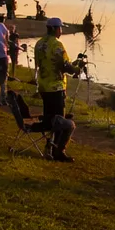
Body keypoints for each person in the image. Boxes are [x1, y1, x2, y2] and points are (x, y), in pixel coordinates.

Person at [33, 16, 80, 162]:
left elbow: (43, 63)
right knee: (60, 121)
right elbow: (66, 66)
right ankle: (58, 151)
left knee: (51, 118)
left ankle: (50, 147)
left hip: (43, 86)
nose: (61, 31)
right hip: (56, 88)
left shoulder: (39, 44)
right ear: (54, 29)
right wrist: (77, 68)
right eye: (60, 28)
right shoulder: (57, 45)